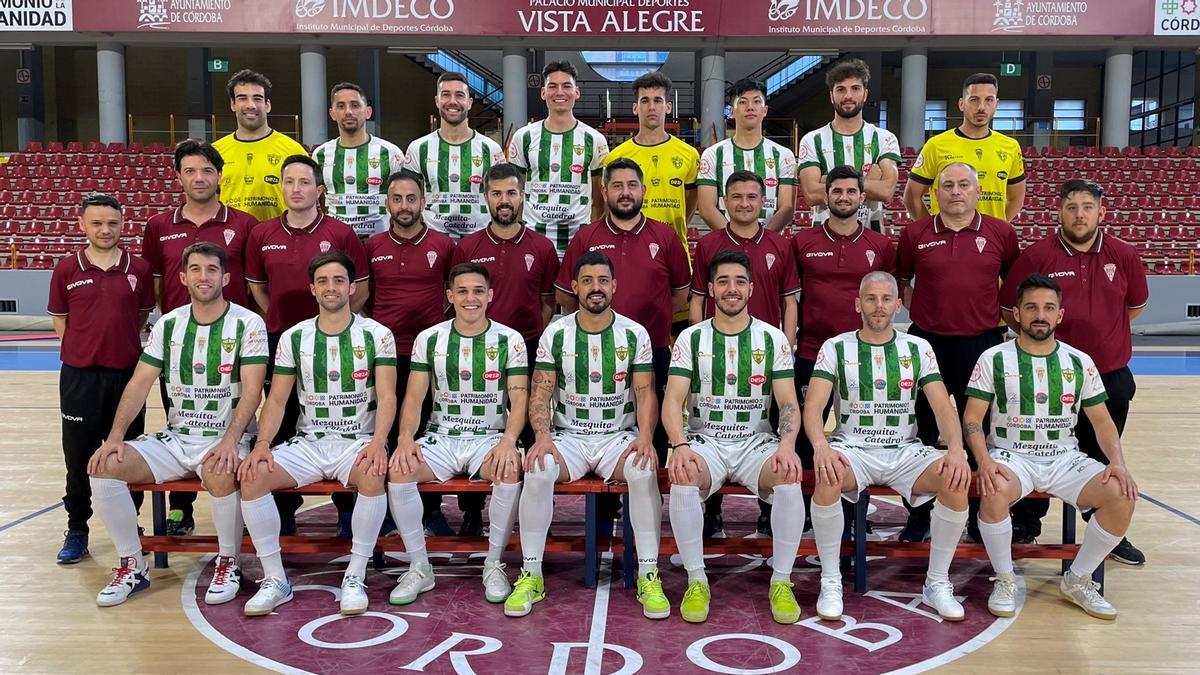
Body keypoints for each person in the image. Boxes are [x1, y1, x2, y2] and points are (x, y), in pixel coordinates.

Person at [87, 242, 267, 607]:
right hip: (177, 437)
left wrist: (231, 441)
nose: (204, 276)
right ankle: (132, 565)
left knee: (219, 470)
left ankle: (228, 561)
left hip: (226, 437)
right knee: (105, 466)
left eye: (212, 269)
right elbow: (139, 383)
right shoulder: (168, 324)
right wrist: (116, 437)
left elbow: (253, 391)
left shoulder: (248, 323)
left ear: (226, 277)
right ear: (183, 277)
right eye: (196, 269)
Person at [965, 273, 1138, 620]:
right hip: (1012, 456)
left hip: (1064, 458)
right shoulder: (993, 358)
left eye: (1048, 307)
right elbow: (972, 418)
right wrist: (983, 460)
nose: (1039, 315)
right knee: (994, 489)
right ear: (1016, 313)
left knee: (1121, 493)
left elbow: (1102, 421)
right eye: (1031, 307)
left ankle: (1077, 578)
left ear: (1060, 314)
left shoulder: (1079, 361)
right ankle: (1004, 578)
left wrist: (1117, 462)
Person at [803, 271, 971, 622]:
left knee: (955, 479)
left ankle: (937, 582)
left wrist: (956, 449)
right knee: (827, 474)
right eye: (870, 298)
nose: (878, 307)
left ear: (898, 305)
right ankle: (831, 580)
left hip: (904, 449)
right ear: (857, 304)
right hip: (853, 448)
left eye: (885, 299)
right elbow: (814, 407)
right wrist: (820, 445)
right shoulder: (836, 347)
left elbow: (942, 406)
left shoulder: (918, 348)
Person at [504, 252, 664, 620]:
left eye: (603, 280)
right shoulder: (556, 333)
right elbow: (541, 391)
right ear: (574, 287)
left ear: (614, 286)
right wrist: (542, 437)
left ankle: (649, 573)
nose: (596, 288)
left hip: (617, 437)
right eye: (588, 281)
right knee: (538, 468)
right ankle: (531, 573)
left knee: (643, 470)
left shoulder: (634, 333)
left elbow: (644, 392)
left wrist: (644, 436)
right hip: (569, 437)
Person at [238, 251, 397, 617]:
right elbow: (277, 400)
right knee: (252, 476)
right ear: (312, 288)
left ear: (352, 287)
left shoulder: (377, 334)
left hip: (357, 440)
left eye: (339, 280)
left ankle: (355, 576)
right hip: (308, 441)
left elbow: (388, 396)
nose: (331, 287)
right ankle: (276, 579)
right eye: (323, 281)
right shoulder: (295, 337)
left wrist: (378, 443)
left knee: (374, 475)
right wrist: (262, 445)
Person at [1000, 180, 1148, 563]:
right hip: (1046, 375)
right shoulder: (1036, 256)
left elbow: (1134, 307)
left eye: (1087, 206)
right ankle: (1026, 525)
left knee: (1099, 454)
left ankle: (1106, 529)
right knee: (1038, 449)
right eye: (1071, 207)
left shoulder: (1125, 254)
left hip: (1110, 374)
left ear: (1102, 213)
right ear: (1059, 212)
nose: (1079, 214)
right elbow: (1010, 310)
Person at [663, 249, 805, 625]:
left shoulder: (772, 339)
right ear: (710, 289)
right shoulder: (690, 339)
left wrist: (787, 445)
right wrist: (679, 445)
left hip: (754, 443)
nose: (731, 289)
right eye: (723, 281)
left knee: (789, 476)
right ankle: (696, 580)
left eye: (739, 282)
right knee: (682, 476)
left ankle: (782, 581)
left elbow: (788, 402)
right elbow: (672, 399)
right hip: (705, 440)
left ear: (752, 290)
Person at [386, 263, 528, 606]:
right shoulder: (429, 338)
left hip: (488, 436)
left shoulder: (510, 339)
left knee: (509, 469)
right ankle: (420, 567)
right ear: (450, 296)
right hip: (442, 436)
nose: (470, 298)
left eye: (478, 291)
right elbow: (414, 397)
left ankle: (493, 563)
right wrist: (406, 438)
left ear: (490, 295)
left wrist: (509, 441)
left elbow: (520, 396)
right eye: (462, 291)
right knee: (399, 469)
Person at [245, 155, 370, 533]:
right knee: (282, 418)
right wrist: (288, 325)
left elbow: (360, 287)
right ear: (280, 188)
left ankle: (347, 507)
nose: (296, 189)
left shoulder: (342, 233)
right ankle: (285, 506)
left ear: (319, 191)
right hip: (281, 338)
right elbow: (258, 288)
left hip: (337, 341)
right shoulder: (262, 235)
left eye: (304, 183)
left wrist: (332, 326)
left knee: (339, 417)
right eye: (289, 182)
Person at [896, 162, 1019, 542]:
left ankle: (975, 514)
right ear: (935, 192)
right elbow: (902, 279)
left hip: (980, 344)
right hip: (926, 343)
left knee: (976, 431)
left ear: (977, 191)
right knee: (920, 429)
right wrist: (923, 312)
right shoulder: (915, 233)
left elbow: (1013, 285)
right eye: (946, 185)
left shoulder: (1001, 232)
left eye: (964, 184)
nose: (955, 191)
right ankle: (919, 515)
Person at [142, 139, 259, 536]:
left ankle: (246, 502)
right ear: (178, 177)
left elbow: (257, 281)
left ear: (220, 177)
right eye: (190, 171)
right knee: (183, 423)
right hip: (180, 346)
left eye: (207, 170)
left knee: (235, 425)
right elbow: (156, 283)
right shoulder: (158, 226)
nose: (199, 178)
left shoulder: (244, 224)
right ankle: (181, 507)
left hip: (233, 343)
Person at [689, 171, 800, 538]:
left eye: (752, 197)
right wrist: (694, 342)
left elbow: (789, 301)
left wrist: (784, 345)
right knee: (711, 430)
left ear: (763, 201)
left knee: (764, 431)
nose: (744, 203)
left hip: (765, 356)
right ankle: (711, 512)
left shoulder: (780, 245)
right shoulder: (709, 244)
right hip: (714, 353)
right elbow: (698, 299)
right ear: (725, 201)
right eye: (736, 197)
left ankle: (769, 514)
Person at [556, 158, 691, 457]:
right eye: (617, 186)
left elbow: (680, 295)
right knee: (601, 430)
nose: (625, 192)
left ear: (644, 190)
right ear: (604, 192)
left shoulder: (665, 237)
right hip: (595, 353)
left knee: (652, 432)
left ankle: (649, 493)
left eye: (632, 185)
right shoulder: (586, 237)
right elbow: (567, 296)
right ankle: (606, 505)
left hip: (653, 350)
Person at [48, 193, 155, 563]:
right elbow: (60, 321)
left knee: (127, 453)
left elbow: (141, 316)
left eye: (112, 223)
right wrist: (82, 352)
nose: (105, 230)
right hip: (79, 379)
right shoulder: (66, 268)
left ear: (122, 224)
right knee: (78, 458)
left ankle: (131, 524)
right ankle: (78, 528)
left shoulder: (138, 269)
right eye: (97, 223)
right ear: (82, 225)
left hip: (127, 378)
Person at [791, 165, 897, 531]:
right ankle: (804, 509)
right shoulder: (802, 242)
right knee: (808, 434)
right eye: (837, 191)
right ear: (826, 196)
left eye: (851, 191)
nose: (844, 197)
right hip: (811, 350)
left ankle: (856, 511)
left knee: (861, 436)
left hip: (864, 357)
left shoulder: (880, 246)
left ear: (862, 197)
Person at [364, 169, 462, 535]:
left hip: (430, 356)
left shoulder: (443, 245)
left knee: (425, 431)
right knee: (387, 430)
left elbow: (453, 295)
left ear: (424, 201)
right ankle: (390, 509)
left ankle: (431, 511)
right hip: (387, 356)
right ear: (386, 202)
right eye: (397, 199)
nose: (404, 206)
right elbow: (365, 297)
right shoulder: (373, 247)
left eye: (411, 198)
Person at [604, 71, 700, 334]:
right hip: (628, 257)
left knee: (672, 333)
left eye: (658, 100)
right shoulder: (617, 157)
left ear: (668, 107)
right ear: (635, 108)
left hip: (673, 256)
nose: (651, 107)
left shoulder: (688, 155)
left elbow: (690, 203)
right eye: (645, 100)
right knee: (626, 330)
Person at [452, 163, 560, 364]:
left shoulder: (543, 247)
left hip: (528, 345)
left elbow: (548, 304)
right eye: (496, 194)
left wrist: (526, 339)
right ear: (486, 197)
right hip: (476, 344)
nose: (504, 201)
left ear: (521, 195)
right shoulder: (466, 248)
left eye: (511, 193)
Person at [508, 60, 610, 258]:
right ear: (543, 93)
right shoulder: (524, 137)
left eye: (566, 86)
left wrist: (592, 239)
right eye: (552, 86)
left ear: (577, 92)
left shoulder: (595, 139)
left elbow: (599, 201)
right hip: (533, 241)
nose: (559, 92)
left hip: (578, 243)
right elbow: (515, 194)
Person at [904, 72, 1026, 223]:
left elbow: (1016, 198)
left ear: (997, 104)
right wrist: (930, 230)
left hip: (991, 243)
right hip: (947, 240)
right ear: (962, 104)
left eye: (989, 100)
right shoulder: (936, 145)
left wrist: (997, 229)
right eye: (974, 100)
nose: (981, 107)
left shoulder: (1011, 147)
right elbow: (911, 197)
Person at [797, 58, 901, 233]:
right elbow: (811, 194)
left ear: (865, 94)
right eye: (840, 89)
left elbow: (886, 191)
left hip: (871, 236)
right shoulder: (812, 139)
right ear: (831, 96)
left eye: (855, 88)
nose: (848, 96)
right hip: (823, 240)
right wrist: (869, 180)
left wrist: (827, 180)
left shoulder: (884, 138)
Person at [404, 72, 507, 241]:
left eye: (459, 95)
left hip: (480, 241)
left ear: (469, 103)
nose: (453, 101)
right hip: (433, 242)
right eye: (446, 95)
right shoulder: (418, 148)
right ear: (437, 100)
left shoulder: (491, 149)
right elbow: (409, 199)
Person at [696, 78, 796, 233]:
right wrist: (735, 238)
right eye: (743, 102)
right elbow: (706, 208)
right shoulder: (713, 154)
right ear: (732, 111)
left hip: (768, 244)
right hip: (727, 246)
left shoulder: (783, 155)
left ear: (765, 110)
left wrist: (762, 240)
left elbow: (787, 207)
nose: (750, 107)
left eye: (756, 102)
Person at [312, 82, 406, 239]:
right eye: (341, 106)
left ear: (368, 112)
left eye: (355, 105)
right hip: (336, 241)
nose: (348, 112)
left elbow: (401, 197)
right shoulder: (320, 154)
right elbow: (319, 198)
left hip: (379, 242)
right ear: (332, 113)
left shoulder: (390, 153)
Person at [213, 69, 308, 222]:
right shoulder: (216, 151)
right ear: (233, 104)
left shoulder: (293, 150)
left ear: (267, 105)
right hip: (230, 238)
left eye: (257, 98)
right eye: (242, 98)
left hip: (278, 238)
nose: (250, 105)